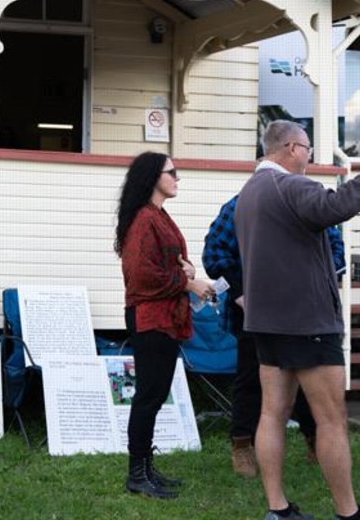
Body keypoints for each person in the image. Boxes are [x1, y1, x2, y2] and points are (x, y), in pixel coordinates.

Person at [235, 119, 360, 520]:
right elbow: (338, 206)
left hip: (265, 322)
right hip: (307, 322)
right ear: (291, 148)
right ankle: (349, 513)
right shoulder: (291, 186)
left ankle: (277, 509)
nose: (310, 157)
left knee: (271, 413)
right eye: (307, 149)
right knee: (331, 419)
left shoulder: (248, 193)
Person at [203, 192, 346, 476]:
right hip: (257, 312)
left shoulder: (311, 201)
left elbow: (336, 252)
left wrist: (320, 284)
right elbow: (214, 254)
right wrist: (240, 291)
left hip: (307, 311)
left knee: (311, 379)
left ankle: (316, 441)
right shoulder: (242, 204)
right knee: (251, 379)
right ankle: (242, 446)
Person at [115, 151, 218, 500]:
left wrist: (187, 270)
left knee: (155, 396)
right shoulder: (144, 219)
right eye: (172, 171)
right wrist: (188, 282)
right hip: (150, 318)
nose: (178, 177)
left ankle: (146, 469)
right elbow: (142, 275)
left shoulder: (157, 215)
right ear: (152, 177)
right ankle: (136, 475)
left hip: (164, 318)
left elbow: (165, 262)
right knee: (148, 397)